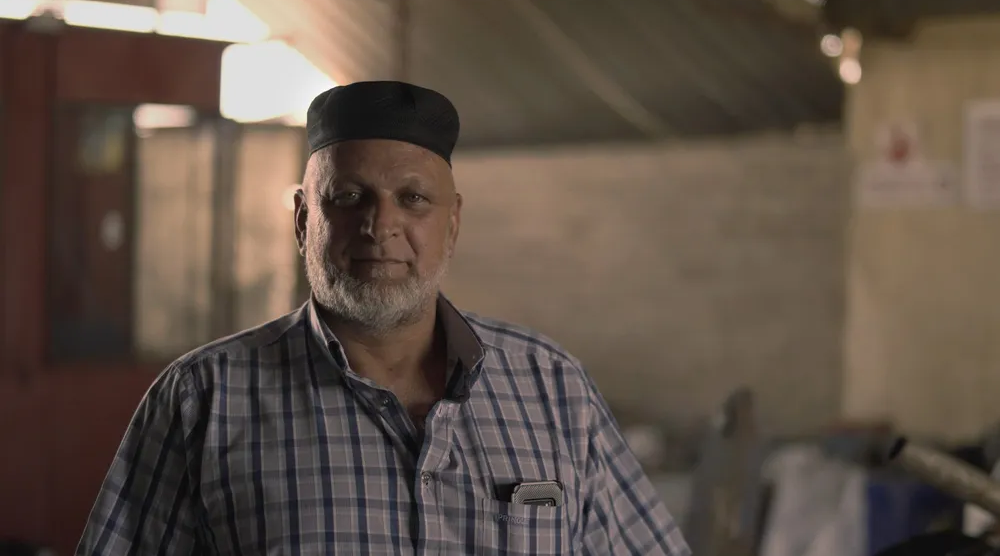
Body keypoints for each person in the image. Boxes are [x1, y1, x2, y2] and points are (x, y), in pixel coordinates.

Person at [76, 81, 690, 555]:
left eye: (413, 199)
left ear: (452, 223)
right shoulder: (203, 398)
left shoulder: (553, 388)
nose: (380, 226)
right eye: (349, 198)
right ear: (303, 221)